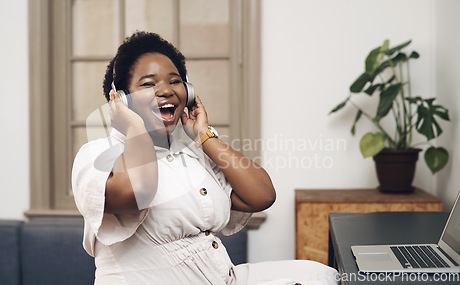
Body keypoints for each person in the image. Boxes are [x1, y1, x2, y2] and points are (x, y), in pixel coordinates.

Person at [72, 31, 338, 285]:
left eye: (175, 81)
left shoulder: (191, 153)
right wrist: (134, 129)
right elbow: (139, 192)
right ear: (121, 99)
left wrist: (205, 136)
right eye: (149, 84)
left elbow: (262, 195)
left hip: (223, 277)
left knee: (321, 276)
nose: (166, 90)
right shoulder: (97, 154)